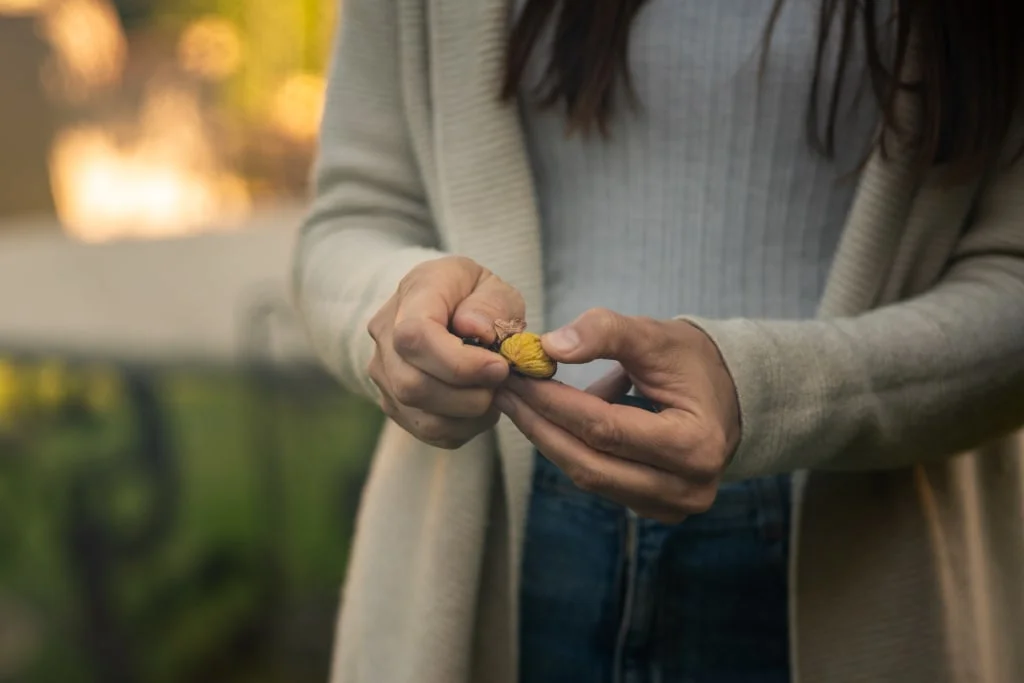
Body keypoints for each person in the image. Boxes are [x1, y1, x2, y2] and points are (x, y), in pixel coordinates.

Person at [292, 0, 1024, 681]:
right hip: (494, 538)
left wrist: (762, 390)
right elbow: (354, 215)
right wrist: (408, 311)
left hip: (863, 552)